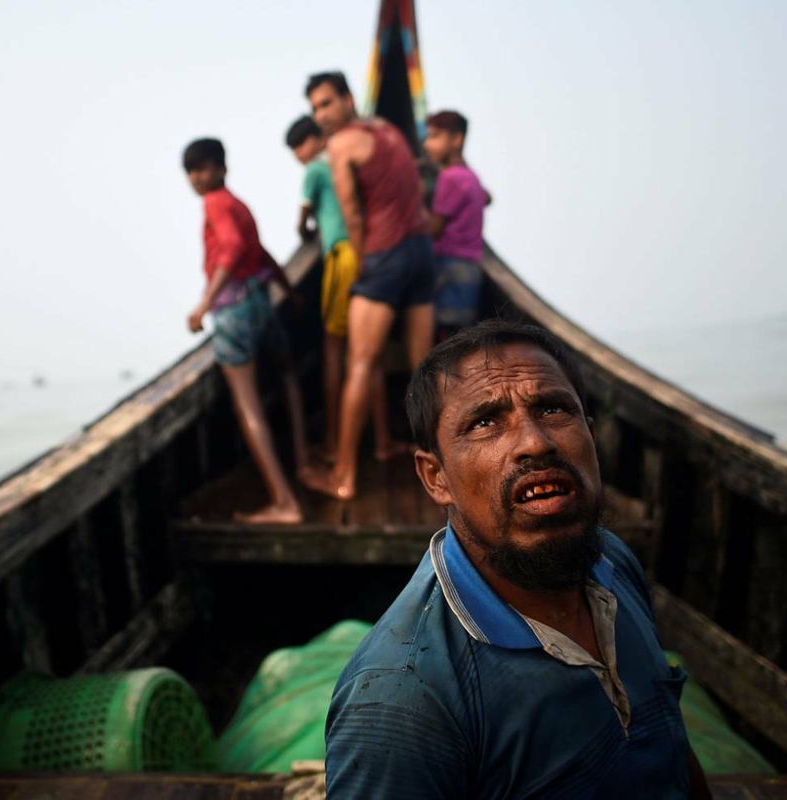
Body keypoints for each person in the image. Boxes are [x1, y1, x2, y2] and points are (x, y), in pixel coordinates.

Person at [325, 320, 712, 799]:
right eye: (485, 422)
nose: (535, 442)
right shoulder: (402, 701)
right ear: (435, 477)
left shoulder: (611, 562)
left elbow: (670, 745)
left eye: (553, 408)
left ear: (591, 437)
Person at [298, 71, 435, 501]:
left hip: (384, 256)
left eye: (326, 103)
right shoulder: (387, 129)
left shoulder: (341, 145)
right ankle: (444, 470)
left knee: (358, 364)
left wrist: (360, 266)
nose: (320, 115)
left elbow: (352, 214)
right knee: (424, 369)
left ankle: (343, 477)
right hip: (421, 252)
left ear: (347, 98)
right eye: (315, 109)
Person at [182, 137, 310, 524]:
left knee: (247, 403)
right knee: (288, 372)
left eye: (202, 168)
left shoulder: (215, 203)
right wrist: (289, 291)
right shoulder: (237, 204)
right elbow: (260, 251)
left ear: (220, 168)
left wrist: (204, 304)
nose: (196, 177)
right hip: (260, 299)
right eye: (191, 171)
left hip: (234, 309)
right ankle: (304, 462)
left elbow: (235, 246)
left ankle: (284, 502)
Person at [285, 115, 405, 465]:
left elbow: (304, 217)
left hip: (342, 256)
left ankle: (333, 442)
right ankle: (382, 440)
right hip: (369, 254)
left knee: (334, 348)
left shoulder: (316, 169)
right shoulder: (350, 165)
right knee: (370, 354)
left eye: (299, 147)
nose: (299, 155)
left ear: (314, 140)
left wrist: (306, 231)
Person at [422, 110, 488, 338]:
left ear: (457, 139)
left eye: (435, 136)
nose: (427, 144)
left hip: (449, 265)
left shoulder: (450, 177)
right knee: (458, 335)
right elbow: (487, 197)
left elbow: (434, 229)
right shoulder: (471, 177)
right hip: (470, 267)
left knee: (444, 336)